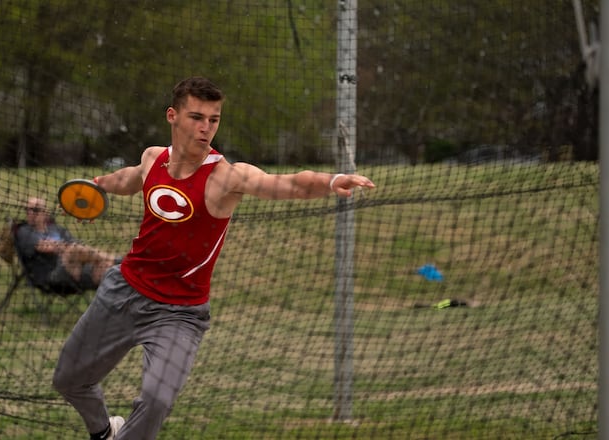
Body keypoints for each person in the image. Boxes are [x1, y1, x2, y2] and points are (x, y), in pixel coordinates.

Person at [51, 77, 376, 440]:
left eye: (214, 119)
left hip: (179, 313)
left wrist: (331, 181)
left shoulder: (226, 177)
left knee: (157, 400)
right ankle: (103, 432)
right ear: (172, 116)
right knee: (69, 380)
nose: (206, 128)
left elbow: (288, 183)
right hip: (124, 291)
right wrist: (100, 185)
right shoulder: (152, 157)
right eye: (196, 117)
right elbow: (132, 178)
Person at [17, 197, 117, 292]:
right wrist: (65, 248)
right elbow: (45, 247)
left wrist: (61, 247)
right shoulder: (24, 231)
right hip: (52, 275)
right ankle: (116, 259)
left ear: (45, 213)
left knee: (106, 267)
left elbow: (76, 244)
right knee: (72, 250)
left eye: (35, 210)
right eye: (27, 209)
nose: (30, 213)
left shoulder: (56, 229)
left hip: (76, 268)